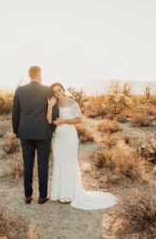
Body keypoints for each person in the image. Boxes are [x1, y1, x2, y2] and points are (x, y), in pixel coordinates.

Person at [47, 82, 118, 210]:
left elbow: (79, 120)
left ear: (63, 90)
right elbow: (50, 120)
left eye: (59, 90)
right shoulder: (54, 104)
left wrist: (63, 121)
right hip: (58, 137)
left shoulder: (72, 102)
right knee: (59, 162)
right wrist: (50, 107)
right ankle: (59, 193)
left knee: (69, 162)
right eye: (55, 92)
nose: (57, 93)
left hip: (69, 136)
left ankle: (69, 194)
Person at [12, 66, 59, 204]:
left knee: (27, 163)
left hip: (25, 132)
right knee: (43, 164)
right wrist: (52, 128)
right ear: (39, 74)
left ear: (29, 75)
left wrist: (16, 130)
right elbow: (55, 110)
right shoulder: (47, 90)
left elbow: (15, 112)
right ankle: (42, 196)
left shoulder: (20, 90)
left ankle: (28, 195)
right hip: (43, 132)